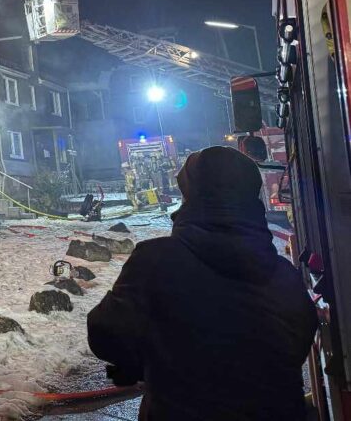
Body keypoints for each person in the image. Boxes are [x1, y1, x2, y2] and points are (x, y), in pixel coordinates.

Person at [87, 146, 317, 420]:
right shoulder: (283, 274)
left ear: (193, 197)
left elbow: (107, 333)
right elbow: (300, 340)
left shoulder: (155, 261)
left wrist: (139, 364)